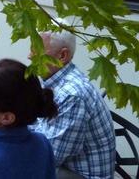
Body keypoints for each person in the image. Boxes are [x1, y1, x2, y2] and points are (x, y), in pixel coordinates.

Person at [29, 30, 115, 179]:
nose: (30, 56)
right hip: (66, 168)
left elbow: (48, 158)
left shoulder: (71, 94)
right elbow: (39, 126)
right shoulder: (55, 82)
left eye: (37, 49)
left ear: (62, 56)